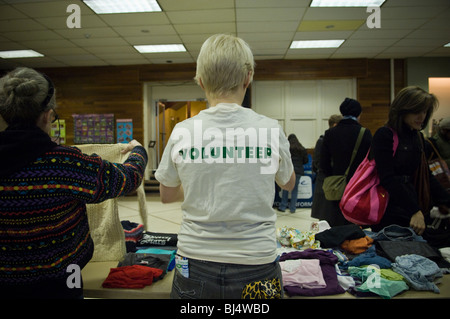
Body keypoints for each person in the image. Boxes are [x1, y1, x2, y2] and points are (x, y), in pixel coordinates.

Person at [155, 34, 295, 299]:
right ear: (248, 77)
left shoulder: (183, 131)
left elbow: (166, 195)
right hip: (257, 262)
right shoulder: (269, 128)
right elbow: (287, 183)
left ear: (200, 81)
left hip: (194, 261)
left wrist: (200, 183)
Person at [0, 67, 148, 299]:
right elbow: (128, 179)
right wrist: (138, 151)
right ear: (48, 115)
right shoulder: (64, 163)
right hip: (61, 282)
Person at [370, 86, 450, 234]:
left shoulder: (417, 137)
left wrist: (445, 200)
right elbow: (388, 178)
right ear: (402, 111)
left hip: (413, 206)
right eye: (416, 111)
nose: (422, 117)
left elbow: (425, 175)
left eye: (425, 111)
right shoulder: (385, 135)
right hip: (389, 208)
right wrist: (414, 210)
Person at [320, 98, 372, 226]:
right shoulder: (364, 133)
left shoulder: (330, 133)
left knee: (336, 219)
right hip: (358, 184)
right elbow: (371, 161)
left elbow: (323, 162)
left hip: (336, 184)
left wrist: (331, 177)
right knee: (354, 220)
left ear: (342, 112)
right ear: (359, 114)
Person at [311, 114, 342, 220]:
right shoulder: (322, 141)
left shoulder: (338, 141)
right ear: (335, 125)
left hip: (334, 184)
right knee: (325, 217)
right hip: (326, 183)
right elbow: (317, 162)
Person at [278, 134, 308, 213]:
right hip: (298, 171)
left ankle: (283, 206)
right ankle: (293, 208)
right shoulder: (302, 148)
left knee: (285, 188)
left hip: (289, 170)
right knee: (295, 190)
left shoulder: (287, 148)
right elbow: (306, 160)